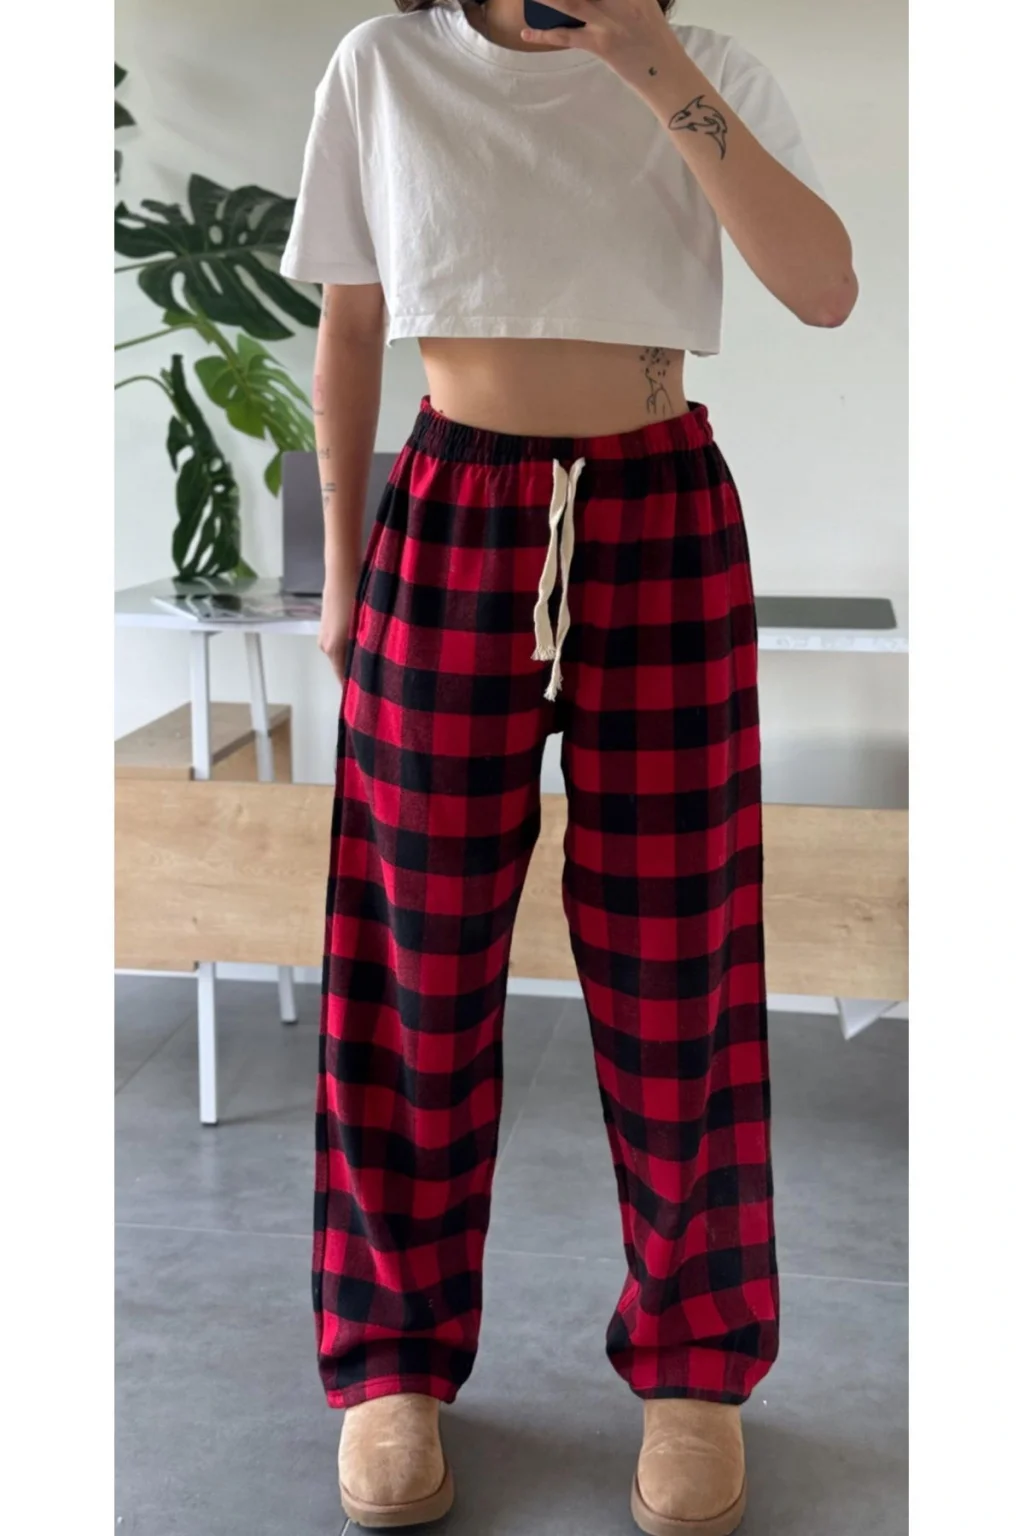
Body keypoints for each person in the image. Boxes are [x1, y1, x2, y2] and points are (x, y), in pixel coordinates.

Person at [280, 1, 857, 1530]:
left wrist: (647, 60)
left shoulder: (702, 62)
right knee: (412, 959)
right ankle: (392, 1361)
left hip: (659, 510)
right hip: (450, 513)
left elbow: (823, 289)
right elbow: (351, 325)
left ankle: (694, 1369)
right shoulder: (384, 64)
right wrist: (343, 567)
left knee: (680, 965)